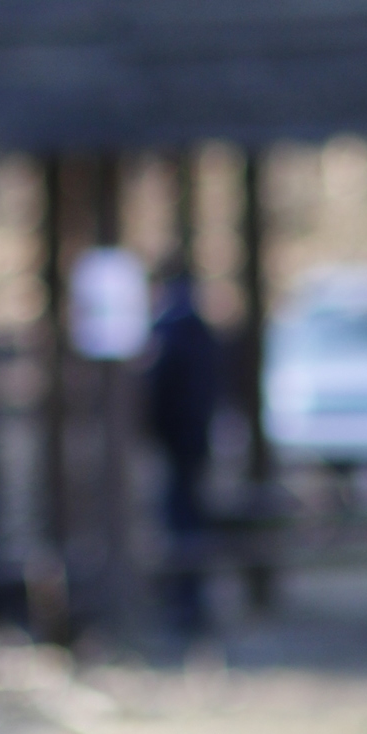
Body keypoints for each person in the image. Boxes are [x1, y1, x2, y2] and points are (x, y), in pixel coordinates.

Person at [144, 259, 221, 637]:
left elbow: (160, 391)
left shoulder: (171, 330)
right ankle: (186, 600)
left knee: (181, 522)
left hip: (177, 445)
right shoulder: (198, 329)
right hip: (192, 443)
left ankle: (185, 603)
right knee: (186, 519)